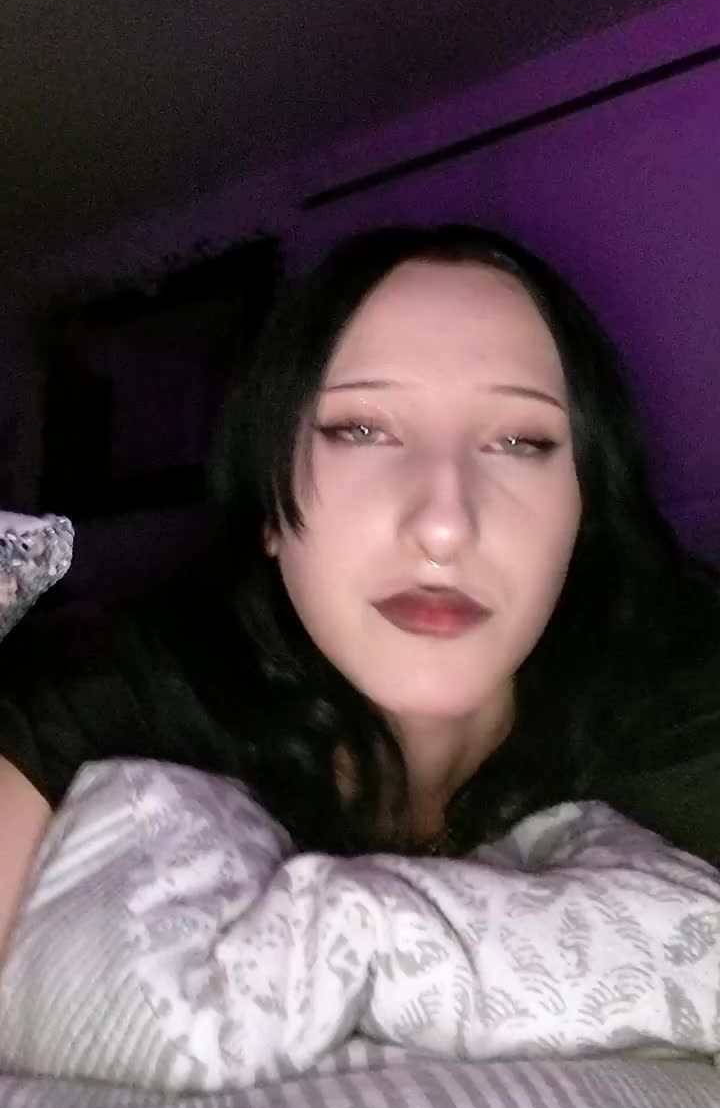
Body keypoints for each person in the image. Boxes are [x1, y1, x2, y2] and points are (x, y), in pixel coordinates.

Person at [1, 222, 719, 962]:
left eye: (519, 442)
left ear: (583, 511)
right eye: (361, 430)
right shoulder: (114, 707)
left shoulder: (679, 697)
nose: (443, 526)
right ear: (268, 508)